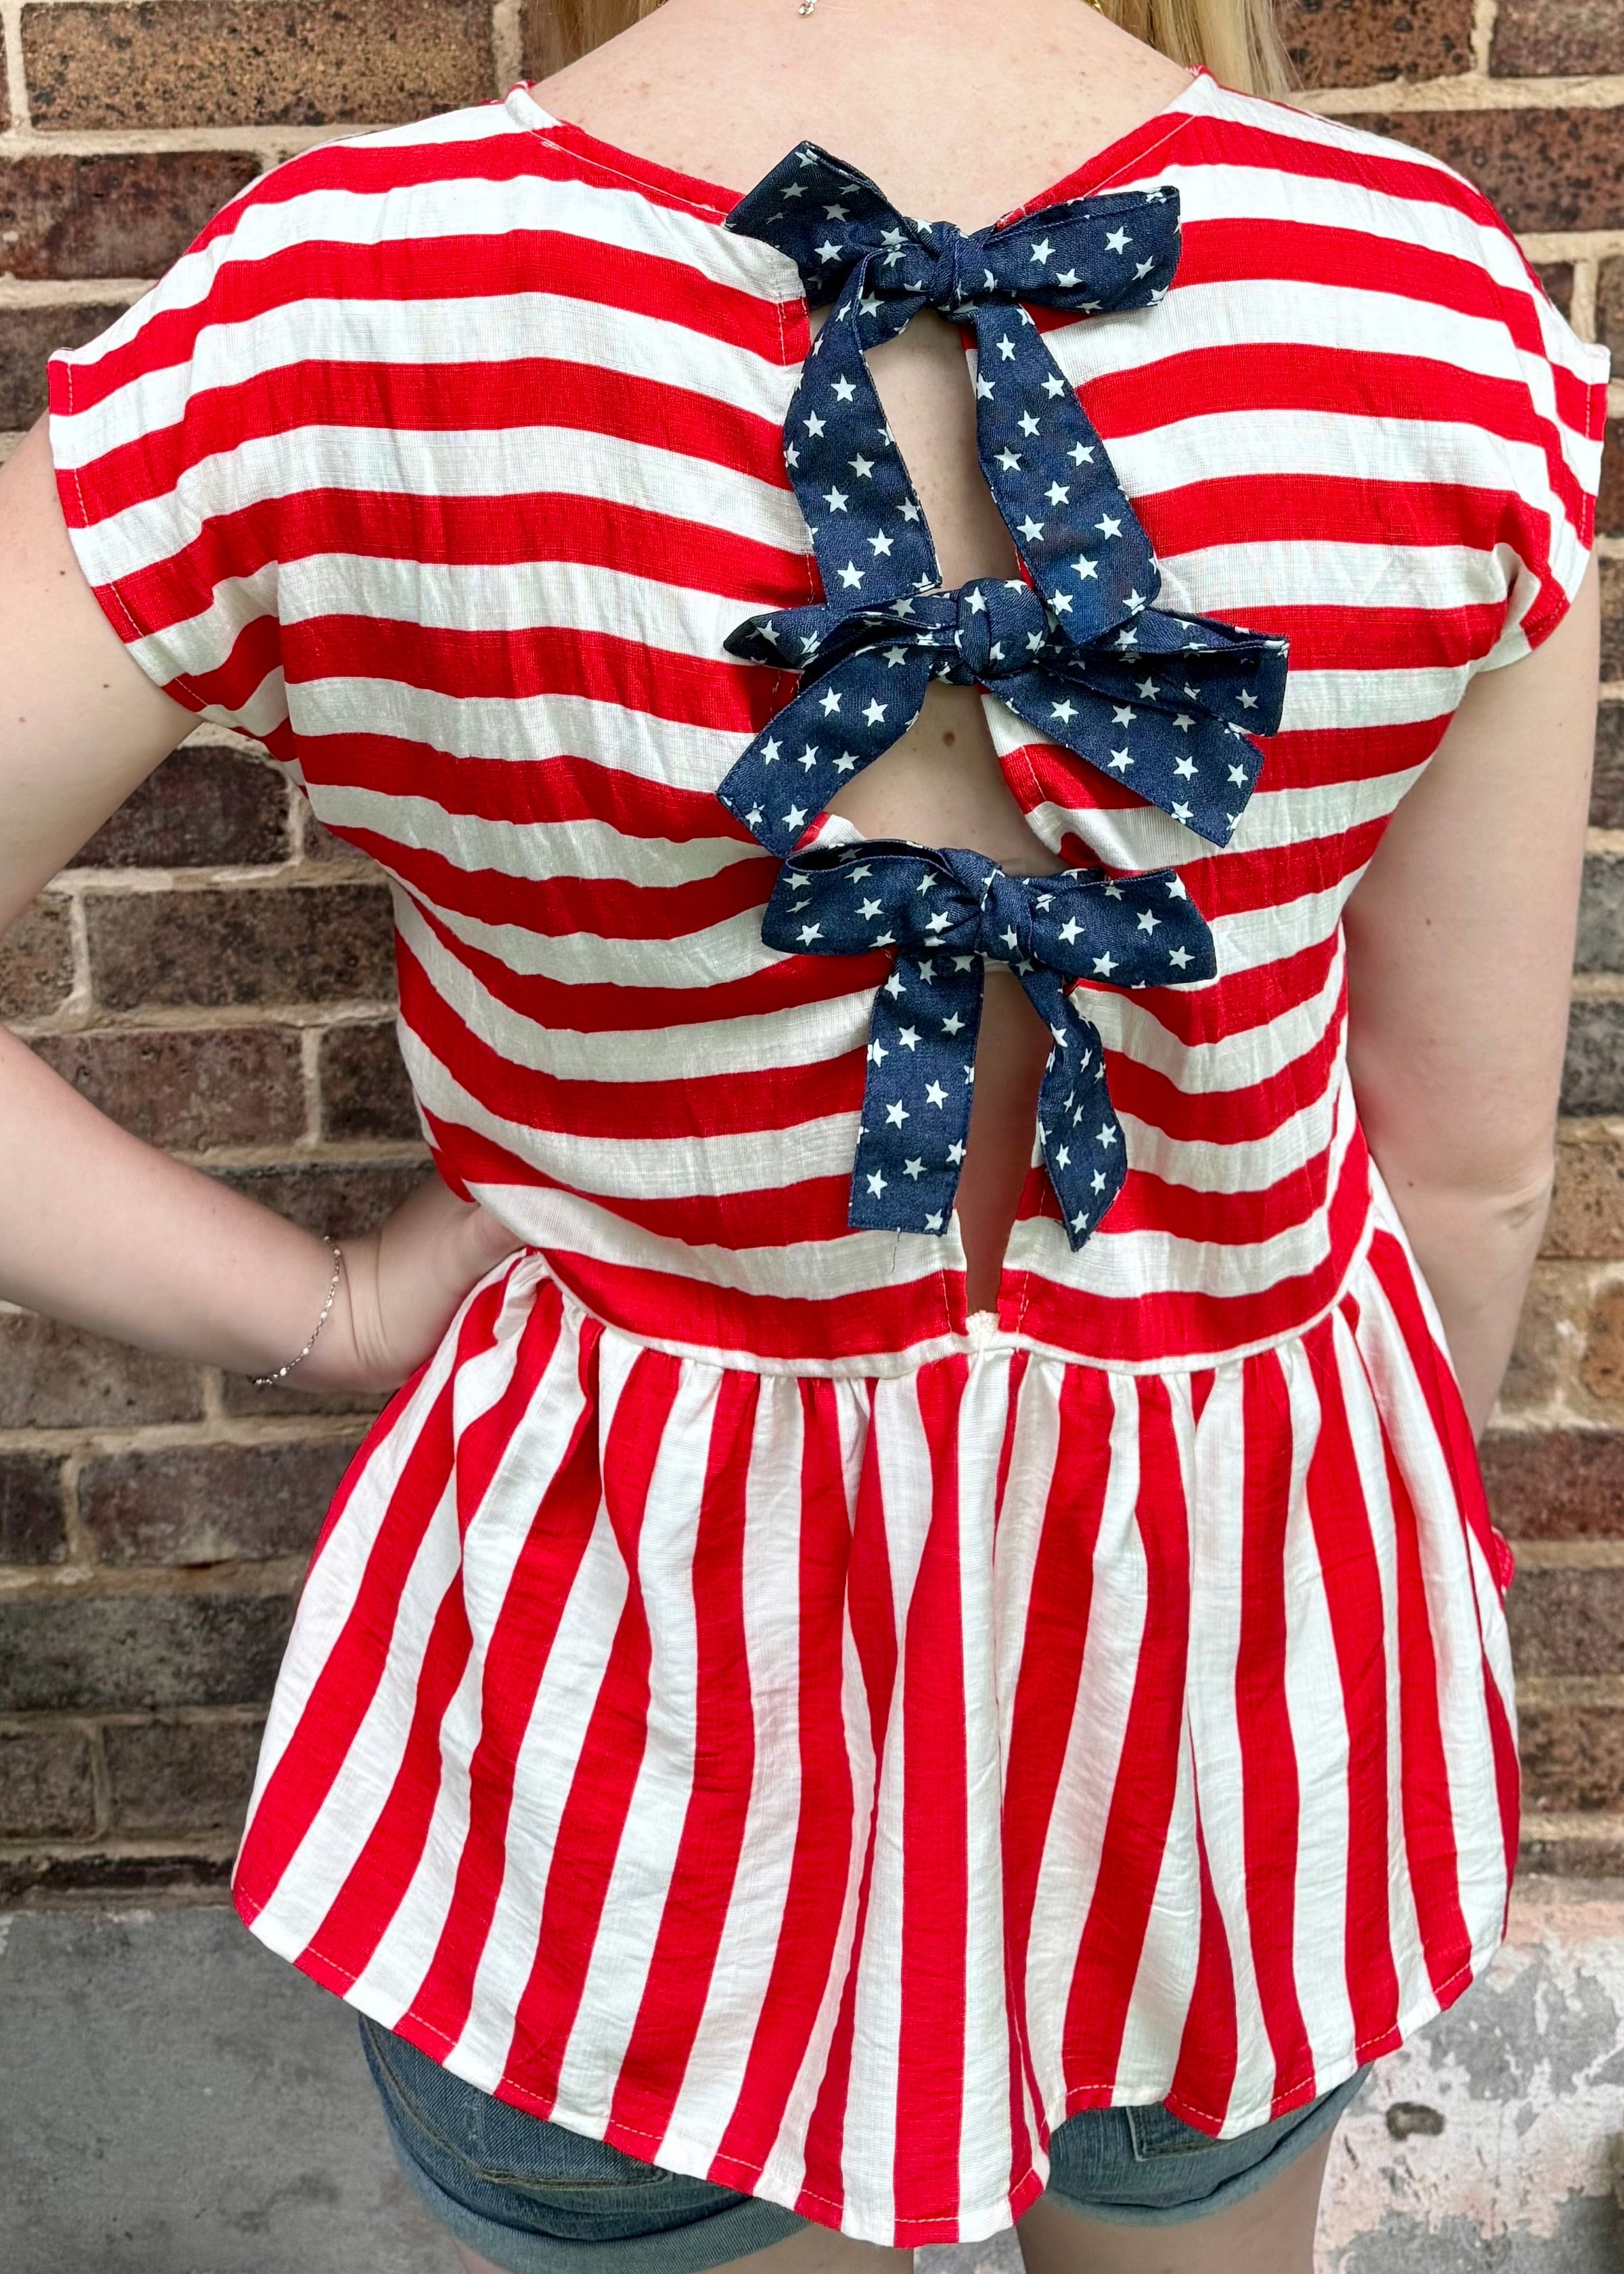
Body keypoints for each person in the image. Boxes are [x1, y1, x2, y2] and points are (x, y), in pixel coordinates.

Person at [0, 1, 1606, 2269]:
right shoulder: (1420, 299)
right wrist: (1339, 1585)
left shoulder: (344, 307)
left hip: (640, 1744)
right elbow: (1466, 1170)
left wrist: (333, 1306)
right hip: (1218, 1708)